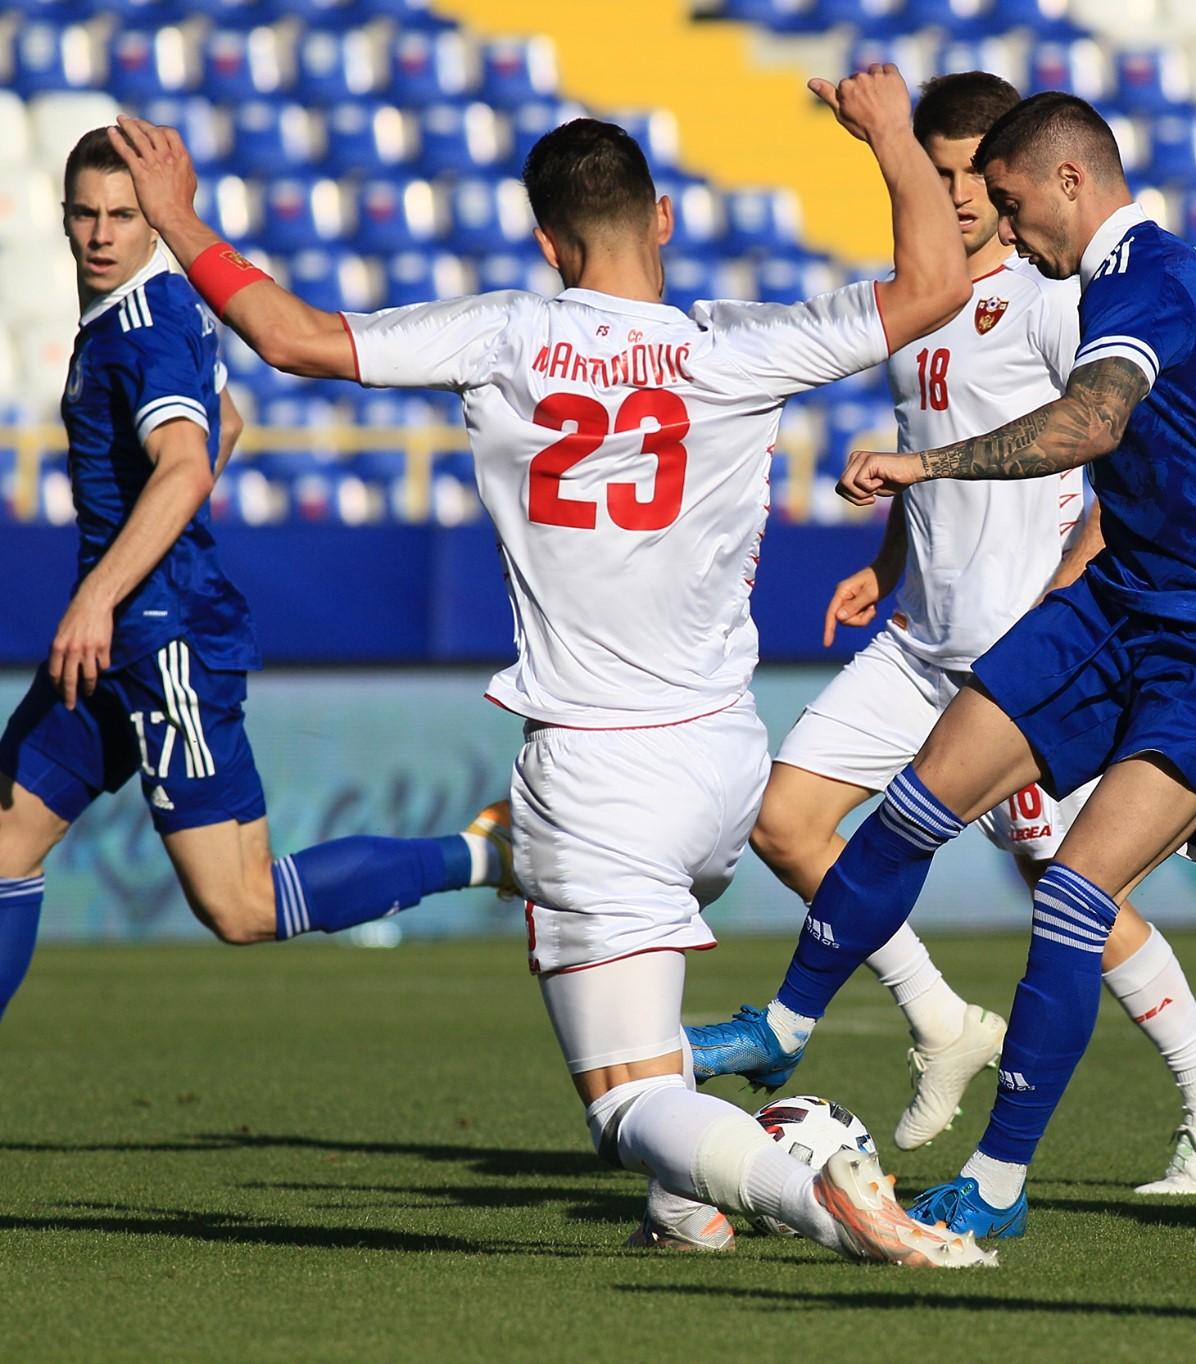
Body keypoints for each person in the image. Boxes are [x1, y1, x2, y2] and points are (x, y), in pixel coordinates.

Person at [108, 66, 998, 1268]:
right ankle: (689, 1210)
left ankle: (809, 1170)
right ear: (664, 219)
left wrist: (177, 214)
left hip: (596, 774)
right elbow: (936, 283)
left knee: (623, 1102)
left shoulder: (509, 334)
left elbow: (289, 337)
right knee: (648, 1044)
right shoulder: (735, 347)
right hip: (725, 760)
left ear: (546, 242)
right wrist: (890, 133)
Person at [687, 90, 1196, 1240]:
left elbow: (1089, 425)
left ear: (1065, 182)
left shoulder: (1139, 288)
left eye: (1005, 202)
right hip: (1117, 600)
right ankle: (789, 1021)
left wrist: (919, 463)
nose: (999, 223)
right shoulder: (1150, 279)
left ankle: (998, 1181)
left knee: (1076, 892)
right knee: (910, 805)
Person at [0, 129, 511, 1023]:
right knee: (4, 844)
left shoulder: (144, 326)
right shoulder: (148, 310)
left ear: (153, 222)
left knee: (240, 906)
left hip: (159, 644)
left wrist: (101, 592)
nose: (101, 234)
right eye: (85, 214)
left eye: (123, 214)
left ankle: (483, 857)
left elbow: (190, 463)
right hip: (124, 638)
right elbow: (224, 422)